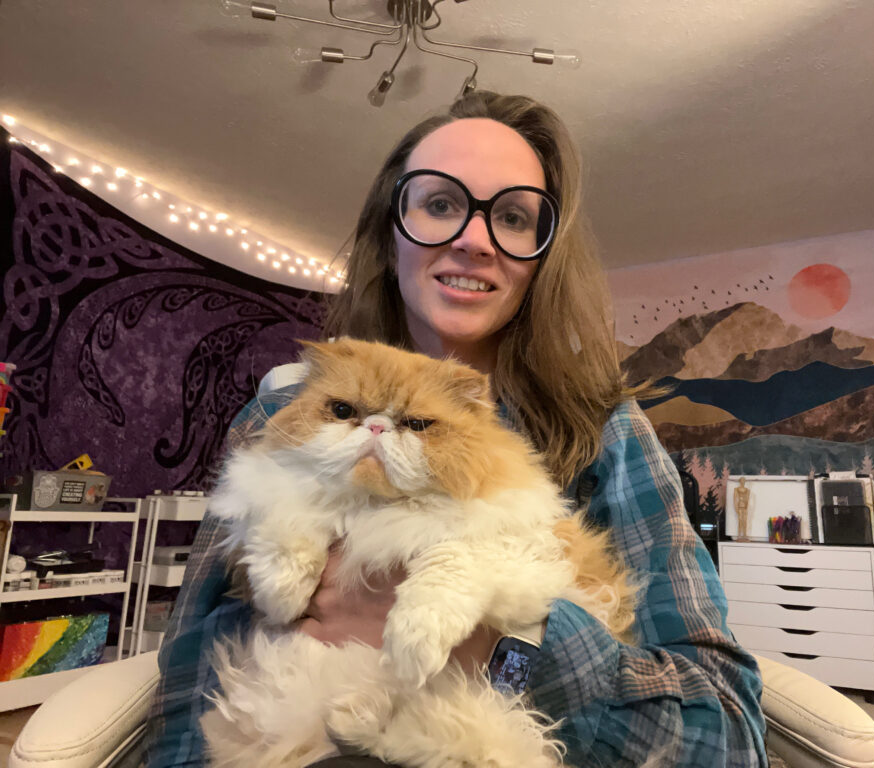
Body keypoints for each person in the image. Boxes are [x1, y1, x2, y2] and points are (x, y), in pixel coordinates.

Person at [145, 91, 767, 767]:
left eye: (512, 216)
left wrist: (509, 649)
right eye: (440, 204)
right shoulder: (276, 415)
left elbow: (728, 731)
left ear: (542, 255)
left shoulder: (606, 429)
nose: (473, 240)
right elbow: (185, 689)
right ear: (391, 231)